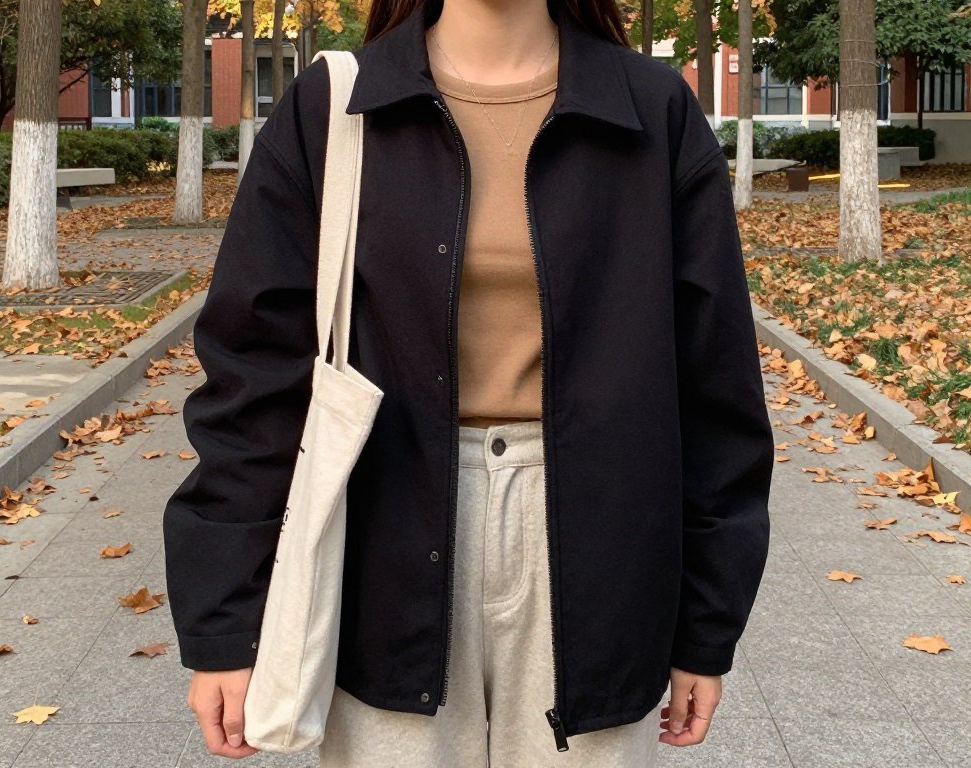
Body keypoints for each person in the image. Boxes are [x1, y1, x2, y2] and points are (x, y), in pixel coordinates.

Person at [162, 0, 775, 764]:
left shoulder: (652, 109)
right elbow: (253, 379)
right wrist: (225, 622)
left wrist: (706, 626)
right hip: (383, 539)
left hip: (601, 544)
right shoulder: (335, 105)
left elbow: (716, 387)